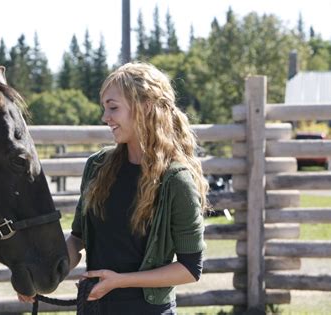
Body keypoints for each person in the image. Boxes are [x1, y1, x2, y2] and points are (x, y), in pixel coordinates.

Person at [18, 62, 208, 314]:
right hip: (93, 308)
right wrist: (42, 278)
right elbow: (77, 239)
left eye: (113, 108)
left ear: (145, 107)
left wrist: (120, 281)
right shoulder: (97, 166)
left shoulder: (176, 181)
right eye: (105, 108)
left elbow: (190, 269)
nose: (105, 118)